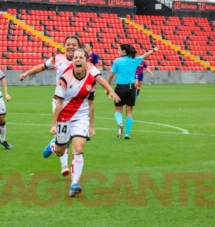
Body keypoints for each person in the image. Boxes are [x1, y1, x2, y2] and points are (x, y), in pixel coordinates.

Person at [19, 35, 118, 177]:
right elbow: (42, 66)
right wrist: (26, 73)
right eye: (68, 44)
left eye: (74, 44)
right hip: (60, 102)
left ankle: (54, 146)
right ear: (64, 45)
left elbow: (98, 77)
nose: (71, 46)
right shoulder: (57, 58)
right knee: (67, 135)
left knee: (72, 137)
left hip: (78, 106)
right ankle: (64, 165)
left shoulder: (84, 62)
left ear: (79, 47)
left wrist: (111, 90)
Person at [51, 49, 119, 197]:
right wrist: (53, 125)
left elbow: (91, 104)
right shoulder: (64, 79)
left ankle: (74, 184)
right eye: (75, 58)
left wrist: (92, 126)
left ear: (86, 61)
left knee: (78, 147)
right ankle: (53, 145)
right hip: (64, 116)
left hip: (81, 117)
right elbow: (59, 104)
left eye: (81, 57)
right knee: (60, 151)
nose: (78, 60)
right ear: (73, 61)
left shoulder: (91, 80)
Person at [107, 44, 159, 139]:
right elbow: (145, 55)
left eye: (119, 50)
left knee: (118, 110)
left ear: (124, 51)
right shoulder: (135, 60)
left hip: (120, 87)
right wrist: (153, 50)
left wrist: (107, 87)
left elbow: (111, 76)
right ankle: (127, 134)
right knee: (129, 112)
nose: (117, 52)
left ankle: (120, 123)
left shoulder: (117, 61)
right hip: (131, 87)